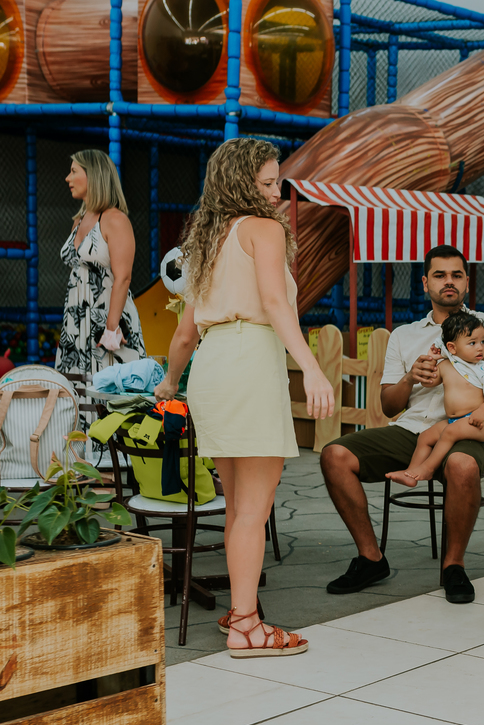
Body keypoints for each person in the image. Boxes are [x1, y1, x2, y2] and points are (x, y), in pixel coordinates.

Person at [155, 138, 336, 657]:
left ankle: (240, 612)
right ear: (240, 184)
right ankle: (247, 627)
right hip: (251, 364)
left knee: (238, 508)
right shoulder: (264, 229)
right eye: (266, 183)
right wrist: (312, 368)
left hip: (212, 368)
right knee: (253, 511)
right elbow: (277, 304)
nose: (276, 192)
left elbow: (187, 331)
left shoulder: (204, 243)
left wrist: (170, 382)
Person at [321, 245, 484, 602]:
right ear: (425, 283)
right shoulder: (404, 334)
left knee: (462, 465)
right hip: (412, 430)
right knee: (334, 455)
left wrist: (472, 343)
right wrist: (410, 379)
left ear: (467, 281)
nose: (448, 281)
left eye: (456, 274)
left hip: (467, 430)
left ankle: (454, 567)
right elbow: (388, 406)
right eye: (439, 275)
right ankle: (371, 557)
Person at [56, 150, 147, 375]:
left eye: (74, 171)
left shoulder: (115, 220)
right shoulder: (78, 221)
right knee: (76, 393)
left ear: (93, 176)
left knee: (110, 391)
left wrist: (111, 328)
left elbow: (123, 276)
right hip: (76, 320)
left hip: (107, 319)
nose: (67, 178)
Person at [390, 311, 484, 487]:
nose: (480, 347)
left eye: (482, 341)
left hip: (479, 423)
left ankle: (428, 468)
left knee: (449, 432)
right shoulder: (446, 365)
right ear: (451, 348)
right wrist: (432, 360)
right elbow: (428, 383)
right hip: (454, 421)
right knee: (426, 437)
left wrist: (482, 412)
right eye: (472, 343)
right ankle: (410, 473)